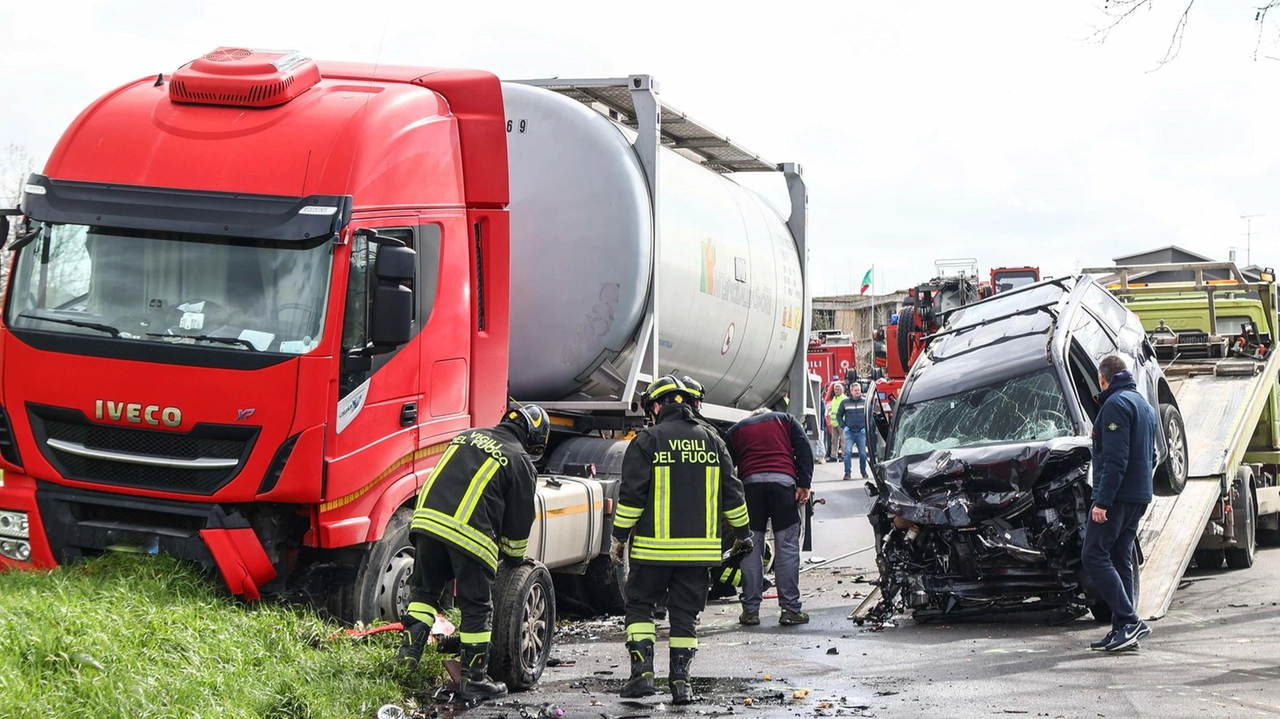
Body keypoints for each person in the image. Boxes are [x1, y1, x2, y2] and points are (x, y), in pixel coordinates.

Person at [610, 375, 752, 704]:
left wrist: (618, 539)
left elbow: (632, 498)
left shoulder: (647, 441)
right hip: (698, 555)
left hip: (652, 553)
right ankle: (681, 684)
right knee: (685, 616)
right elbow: (733, 494)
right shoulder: (713, 441)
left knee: (641, 607)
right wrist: (743, 536)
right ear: (692, 404)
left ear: (658, 406)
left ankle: (643, 676)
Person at [398, 404, 549, 700]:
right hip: (469, 535)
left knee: (422, 596)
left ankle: (406, 663)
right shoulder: (520, 461)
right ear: (534, 440)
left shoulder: (468, 436)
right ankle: (474, 679)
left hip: (426, 523)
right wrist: (514, 559)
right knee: (477, 607)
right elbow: (519, 526)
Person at [1083, 355, 1156, 653]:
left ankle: (1128, 621)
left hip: (1117, 497)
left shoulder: (1115, 404)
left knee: (1093, 555)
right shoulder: (1144, 406)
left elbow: (1115, 460)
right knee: (1119, 556)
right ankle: (1122, 630)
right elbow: (1150, 455)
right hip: (1139, 496)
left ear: (1104, 379)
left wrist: (1102, 501)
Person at [724, 406, 815, 627]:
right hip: (783, 487)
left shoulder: (737, 429)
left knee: (750, 549)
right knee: (787, 549)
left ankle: (751, 611)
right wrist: (804, 483)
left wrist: (728, 500)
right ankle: (791, 610)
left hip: (750, 488)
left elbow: (726, 465)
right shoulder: (786, 420)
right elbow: (804, 449)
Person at [837, 384, 869, 480]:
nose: (857, 392)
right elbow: (839, 416)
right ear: (851, 391)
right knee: (847, 453)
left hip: (861, 432)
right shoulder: (845, 403)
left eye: (858, 390)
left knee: (863, 454)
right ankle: (847, 473)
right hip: (849, 432)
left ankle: (863, 472)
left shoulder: (865, 402)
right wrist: (844, 426)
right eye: (855, 390)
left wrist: (866, 427)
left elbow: (870, 415)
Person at [826, 382, 846, 461]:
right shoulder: (834, 399)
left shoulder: (844, 399)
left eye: (838, 389)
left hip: (842, 423)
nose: (836, 391)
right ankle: (833, 456)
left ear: (842, 390)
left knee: (843, 441)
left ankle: (844, 456)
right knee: (834, 441)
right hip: (834, 423)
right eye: (835, 389)